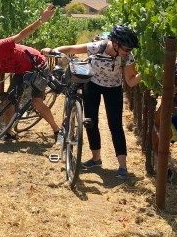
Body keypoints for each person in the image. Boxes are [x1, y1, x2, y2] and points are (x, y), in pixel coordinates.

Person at [42, 24, 142, 179]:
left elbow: (130, 81)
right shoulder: (98, 47)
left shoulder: (127, 57)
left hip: (113, 88)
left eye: (130, 50)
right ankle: (96, 159)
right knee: (91, 121)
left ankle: (122, 166)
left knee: (115, 125)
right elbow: (73, 49)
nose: (128, 52)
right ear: (115, 44)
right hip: (92, 84)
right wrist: (53, 50)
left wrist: (145, 73)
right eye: (126, 49)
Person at [0, 4, 62, 144]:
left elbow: (22, 34)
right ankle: (9, 132)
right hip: (21, 71)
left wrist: (41, 20)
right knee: (8, 100)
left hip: (37, 64)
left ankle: (57, 131)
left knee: (36, 102)